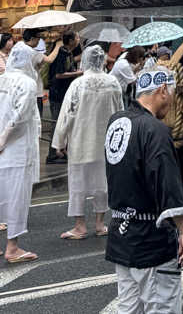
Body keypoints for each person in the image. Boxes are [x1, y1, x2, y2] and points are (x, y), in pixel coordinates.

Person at [105, 68, 183, 312]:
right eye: (172, 95)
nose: (172, 103)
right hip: (150, 239)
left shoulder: (117, 122)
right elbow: (167, 183)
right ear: (163, 90)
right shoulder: (155, 130)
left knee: (129, 308)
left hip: (122, 235)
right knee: (161, 306)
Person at [52, 44, 124, 241]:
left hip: (80, 141)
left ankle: (80, 226)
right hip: (106, 141)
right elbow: (120, 111)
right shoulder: (113, 83)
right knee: (103, 182)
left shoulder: (78, 84)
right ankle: (100, 224)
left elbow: (67, 114)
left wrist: (59, 141)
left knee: (78, 183)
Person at [0, 42, 42, 262]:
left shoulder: (2, 79)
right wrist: (4, 138)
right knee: (16, 198)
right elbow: (21, 115)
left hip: (2, 151)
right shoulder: (27, 82)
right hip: (17, 150)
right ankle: (12, 247)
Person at [46, 31, 82, 163]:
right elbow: (58, 74)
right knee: (56, 123)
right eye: (77, 37)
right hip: (57, 94)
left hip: (64, 93)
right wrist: (77, 73)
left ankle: (61, 151)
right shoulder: (62, 53)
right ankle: (51, 155)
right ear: (71, 40)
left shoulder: (68, 52)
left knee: (64, 123)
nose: (79, 39)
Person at [19, 29, 62, 116]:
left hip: (23, 89)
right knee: (37, 117)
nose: (39, 42)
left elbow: (35, 63)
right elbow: (49, 60)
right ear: (32, 39)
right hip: (34, 90)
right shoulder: (32, 52)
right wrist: (58, 45)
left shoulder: (20, 48)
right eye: (38, 40)